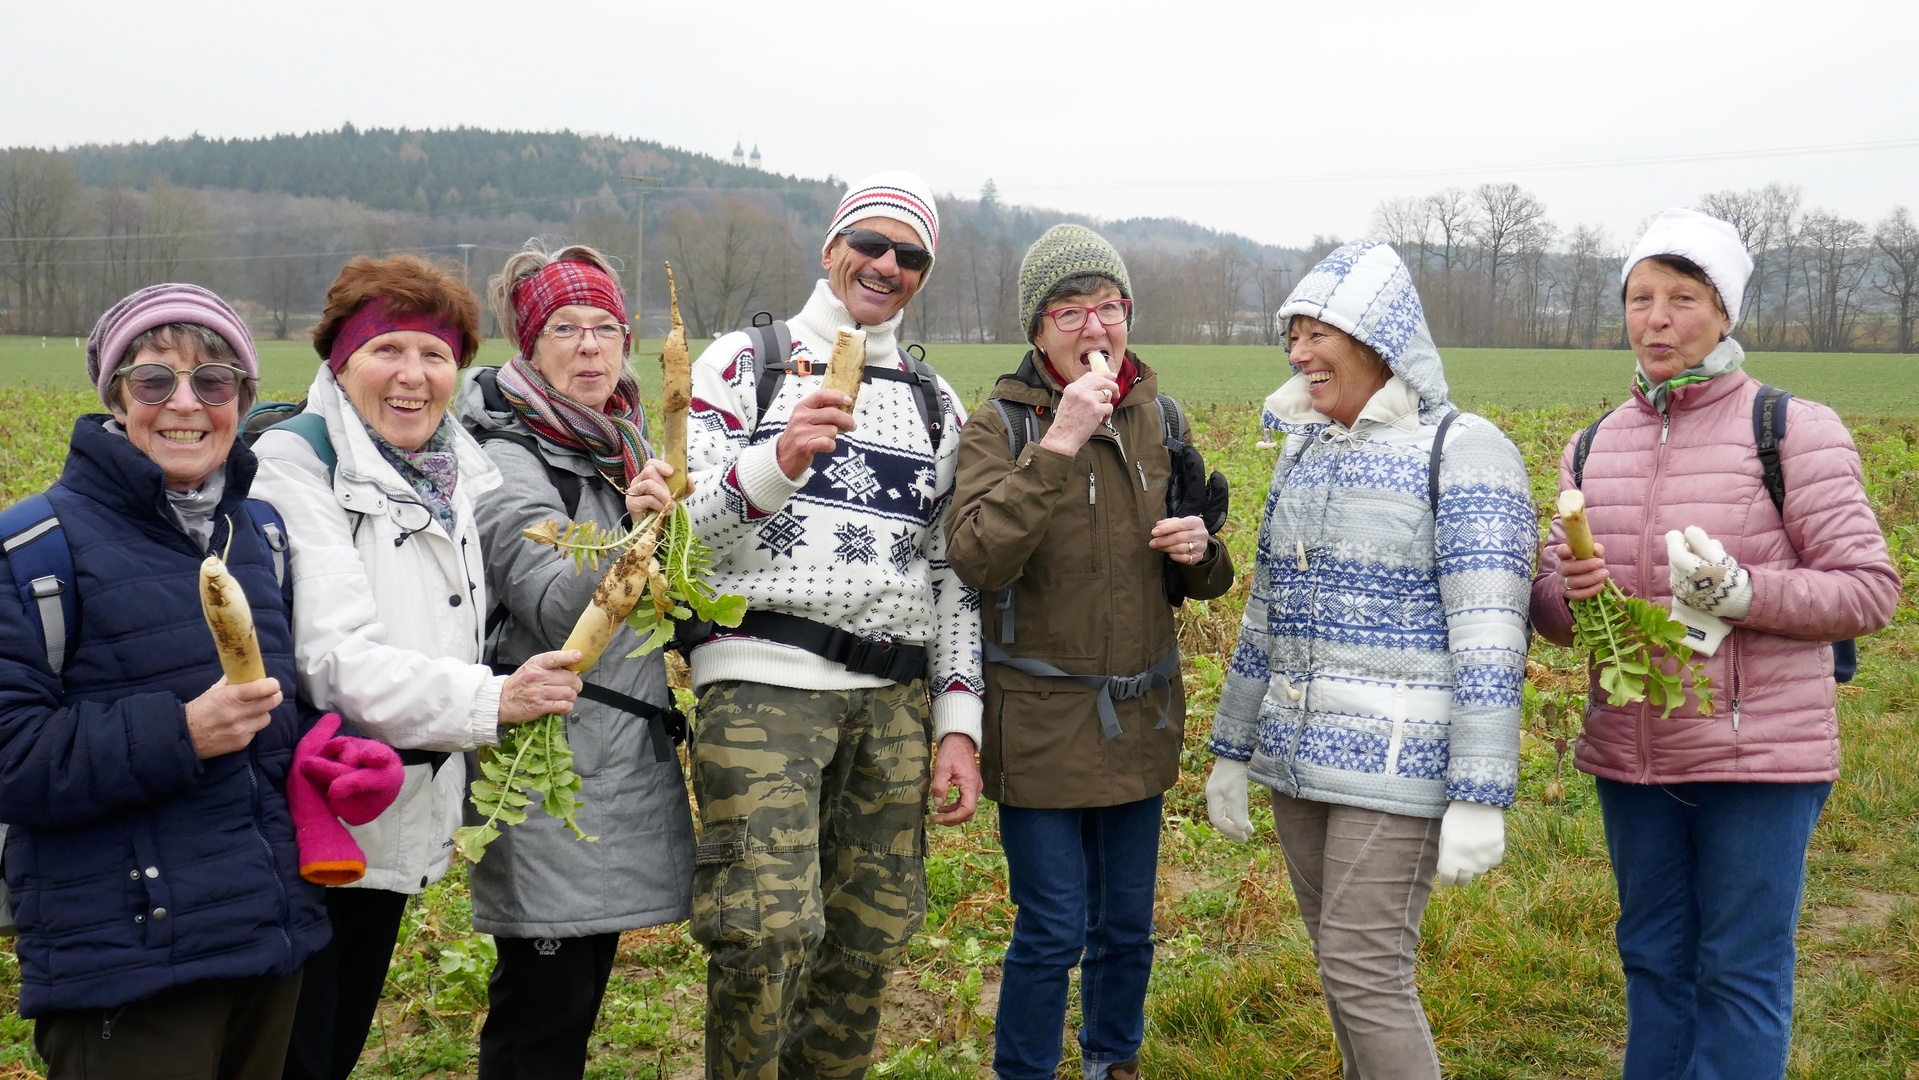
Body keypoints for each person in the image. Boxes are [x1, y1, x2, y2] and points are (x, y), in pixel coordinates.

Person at [1530, 208, 1898, 1080]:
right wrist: (1569, 596)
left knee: (1737, 974)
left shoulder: (1788, 429)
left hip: (1757, 756)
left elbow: (1868, 589)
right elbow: (1548, 613)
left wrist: (1743, 591)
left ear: (1724, 312)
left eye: (1681, 297)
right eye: (1639, 297)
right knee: (1653, 962)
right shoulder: (1592, 447)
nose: (1655, 318)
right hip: (1632, 753)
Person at [678, 171, 983, 1078]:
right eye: (871, 244)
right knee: (766, 932)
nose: (886, 266)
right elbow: (678, 534)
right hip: (764, 681)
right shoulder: (743, 362)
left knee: (868, 940)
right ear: (830, 249)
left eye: (909, 255)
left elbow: (951, 576)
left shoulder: (936, 401)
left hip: (890, 698)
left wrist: (957, 727)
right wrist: (773, 462)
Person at [1206, 241, 1536, 1080]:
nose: (1298, 353)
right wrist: (1231, 751)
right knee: (1343, 973)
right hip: (1299, 765)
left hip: (1399, 768)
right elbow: (1266, 611)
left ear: (1379, 340)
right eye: (1293, 334)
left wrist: (1479, 793)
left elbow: (1491, 631)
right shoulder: (1303, 449)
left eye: (1319, 333)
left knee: (1364, 975)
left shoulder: (1463, 449)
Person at [251, 255, 584, 1080]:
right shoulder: (299, 465)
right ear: (339, 359)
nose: (413, 377)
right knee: (298, 1046)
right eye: (386, 351)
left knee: (336, 1036)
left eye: (434, 356)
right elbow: (333, 660)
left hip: (393, 806)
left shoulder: (450, 468)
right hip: (313, 812)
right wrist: (494, 698)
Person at [0, 285, 329, 1078]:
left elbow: (276, 730)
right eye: (154, 381)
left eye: (213, 381)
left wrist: (334, 755)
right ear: (116, 397)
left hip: (266, 943)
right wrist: (180, 733)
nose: (185, 404)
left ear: (242, 399)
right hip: (127, 965)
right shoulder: (32, 550)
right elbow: (11, 760)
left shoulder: (261, 538)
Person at [944, 224, 1234, 1080]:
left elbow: (1201, 580)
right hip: (1038, 723)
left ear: (1127, 316)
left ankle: (1115, 1060)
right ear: (1037, 333)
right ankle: (1025, 1071)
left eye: (1106, 307)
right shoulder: (996, 425)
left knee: (1128, 925)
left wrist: (1199, 550)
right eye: (1067, 311)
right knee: (1051, 926)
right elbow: (975, 555)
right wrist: (1060, 442)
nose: (1090, 327)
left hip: (1137, 718)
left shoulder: (1161, 418)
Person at [455, 240, 696, 1079]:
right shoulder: (503, 456)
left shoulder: (618, 443)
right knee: (540, 1015)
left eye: (606, 326)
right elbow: (555, 605)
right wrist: (629, 540)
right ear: (528, 345)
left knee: (572, 1000)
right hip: (547, 763)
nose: (590, 345)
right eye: (565, 327)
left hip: (614, 760)